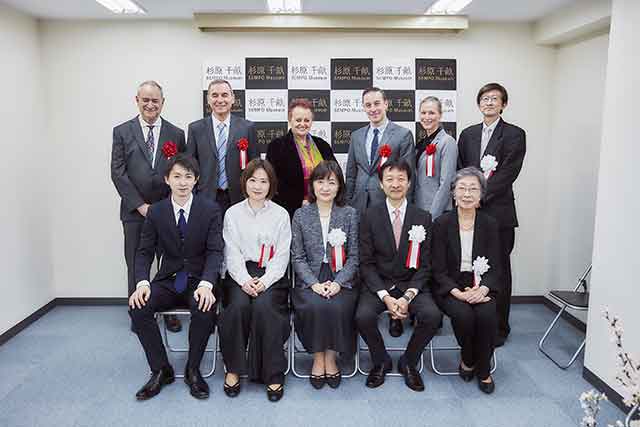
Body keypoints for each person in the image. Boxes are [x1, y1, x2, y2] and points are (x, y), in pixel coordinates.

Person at [128, 154, 223, 400]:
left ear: (196, 180)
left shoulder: (210, 210)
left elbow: (215, 251)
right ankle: (161, 369)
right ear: (167, 179)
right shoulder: (156, 212)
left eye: (188, 177)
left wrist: (207, 283)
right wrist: (142, 283)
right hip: (168, 280)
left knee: (205, 307)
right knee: (139, 307)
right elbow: (144, 251)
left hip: (198, 280)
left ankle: (193, 369)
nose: (182, 182)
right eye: (177, 176)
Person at [355, 159, 442, 392]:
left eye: (401, 179)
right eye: (390, 179)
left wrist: (407, 296)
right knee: (362, 316)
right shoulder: (369, 216)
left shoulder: (423, 217)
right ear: (381, 184)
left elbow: (426, 264)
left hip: (410, 284)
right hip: (379, 284)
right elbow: (366, 263)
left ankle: (409, 362)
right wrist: (385, 296)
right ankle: (380, 360)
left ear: (409, 183)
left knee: (432, 316)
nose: (395, 184)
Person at [111, 80, 186, 333]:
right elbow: (118, 173)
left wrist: (168, 206)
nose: (150, 105)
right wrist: (141, 206)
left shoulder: (176, 134)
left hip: (167, 212)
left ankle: (170, 312)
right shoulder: (122, 131)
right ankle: (139, 313)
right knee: (135, 263)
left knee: (170, 263)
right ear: (137, 101)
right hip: (134, 213)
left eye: (155, 100)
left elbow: (181, 172)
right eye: (146, 100)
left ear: (163, 102)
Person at [457, 82, 526, 346]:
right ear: (479, 104)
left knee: (499, 271)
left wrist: (479, 197)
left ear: (503, 104)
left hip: (498, 214)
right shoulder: (468, 134)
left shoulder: (515, 134)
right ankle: (475, 321)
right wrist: (466, 199)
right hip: (469, 214)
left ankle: (499, 328)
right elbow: (461, 170)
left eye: (494, 99)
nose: (489, 103)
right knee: (473, 268)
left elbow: (509, 172)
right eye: (485, 98)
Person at [219, 159, 291, 402]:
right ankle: (233, 368)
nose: (258, 186)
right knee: (237, 307)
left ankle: (273, 372)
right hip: (240, 273)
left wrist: (265, 281)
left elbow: (282, 255)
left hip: (272, 274)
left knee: (264, 307)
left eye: (263, 181)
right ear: (244, 182)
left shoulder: (281, 214)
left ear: (271, 185)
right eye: (253, 180)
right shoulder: (232, 213)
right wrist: (244, 280)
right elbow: (231, 252)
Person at [431, 167, 502, 394]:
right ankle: (469, 357)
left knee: (487, 315)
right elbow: (437, 269)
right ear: (453, 193)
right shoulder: (441, 224)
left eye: (473, 189)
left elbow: (497, 265)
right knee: (463, 315)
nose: (467, 194)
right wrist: (457, 293)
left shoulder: (490, 224)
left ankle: (483, 369)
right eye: (462, 188)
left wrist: (483, 289)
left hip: (481, 284)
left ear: (481, 194)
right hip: (450, 285)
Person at [291, 161, 359, 390]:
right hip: (311, 276)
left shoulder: (349, 214)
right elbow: (298, 257)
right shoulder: (301, 215)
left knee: (337, 306)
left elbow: (354, 257)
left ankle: (331, 357)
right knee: (315, 305)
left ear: (339, 186)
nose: (325, 188)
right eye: (320, 182)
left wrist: (339, 283)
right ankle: (318, 358)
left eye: (331, 182)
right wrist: (314, 284)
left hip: (341, 277)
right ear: (312, 185)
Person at [187, 79, 259, 213]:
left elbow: (255, 165)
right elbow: (190, 166)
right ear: (208, 99)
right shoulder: (195, 129)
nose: (220, 100)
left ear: (233, 98)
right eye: (215, 95)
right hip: (205, 198)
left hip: (239, 198)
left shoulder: (247, 127)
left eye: (224, 95)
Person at [345, 87, 415, 216]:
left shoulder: (403, 135)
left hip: (389, 203)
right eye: (368, 105)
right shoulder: (356, 136)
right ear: (364, 108)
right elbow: (351, 174)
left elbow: (408, 175)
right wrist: (348, 202)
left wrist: (406, 208)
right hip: (358, 204)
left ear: (386, 104)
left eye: (377, 103)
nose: (373, 109)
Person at [267, 98, 336, 218]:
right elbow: (273, 182)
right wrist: (300, 201)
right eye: (298, 120)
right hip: (290, 211)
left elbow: (335, 176)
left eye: (307, 120)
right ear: (290, 120)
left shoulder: (323, 145)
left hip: (324, 209)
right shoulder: (277, 146)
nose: (302, 124)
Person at [414, 96, 458, 220]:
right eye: (423, 113)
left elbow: (446, 183)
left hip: (437, 212)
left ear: (440, 115)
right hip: (419, 208)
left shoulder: (447, 142)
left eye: (431, 113)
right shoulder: (422, 143)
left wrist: (432, 216)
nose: (426, 117)